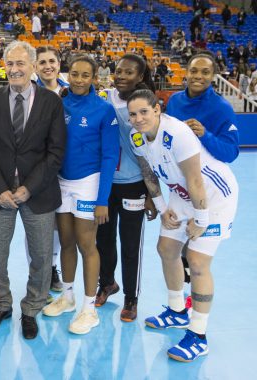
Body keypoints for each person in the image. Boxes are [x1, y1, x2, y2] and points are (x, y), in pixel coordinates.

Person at [127, 89, 238, 362]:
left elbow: (196, 180)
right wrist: (163, 209)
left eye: (144, 112)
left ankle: (198, 336)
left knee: (198, 261)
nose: (138, 118)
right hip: (182, 193)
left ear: (158, 110)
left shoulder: (177, 133)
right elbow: (148, 173)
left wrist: (201, 220)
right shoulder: (136, 137)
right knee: (166, 249)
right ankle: (177, 311)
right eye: (132, 114)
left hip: (213, 196)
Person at [0, 41, 67, 340]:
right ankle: (2, 304)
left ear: (32, 66)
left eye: (20, 64)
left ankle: (31, 308)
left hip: (38, 192)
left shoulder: (52, 102)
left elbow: (55, 152)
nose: (14, 69)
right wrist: (0, 187)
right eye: (9, 64)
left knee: (42, 256)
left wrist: (30, 187)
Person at [42, 55, 119, 335]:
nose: (78, 79)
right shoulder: (59, 104)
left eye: (85, 75)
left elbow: (111, 156)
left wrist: (102, 200)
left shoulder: (104, 109)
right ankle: (68, 295)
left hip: (89, 182)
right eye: (74, 74)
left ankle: (89, 308)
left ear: (93, 78)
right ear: (68, 74)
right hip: (62, 182)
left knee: (87, 244)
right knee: (65, 242)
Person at [165, 52, 240, 294]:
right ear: (186, 72)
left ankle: (190, 305)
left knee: (195, 257)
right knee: (169, 248)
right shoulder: (175, 101)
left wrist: (204, 134)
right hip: (180, 187)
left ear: (213, 76)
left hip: (209, 190)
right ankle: (178, 304)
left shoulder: (221, 108)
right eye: (194, 71)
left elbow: (230, 153)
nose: (198, 76)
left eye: (205, 72)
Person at [95, 54, 158, 322]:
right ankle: (107, 283)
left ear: (140, 77)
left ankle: (131, 297)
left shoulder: (146, 109)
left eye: (128, 72)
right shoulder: (104, 98)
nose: (120, 75)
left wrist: (152, 195)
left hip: (133, 187)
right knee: (103, 240)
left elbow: (150, 157)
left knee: (130, 244)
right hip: (105, 185)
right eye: (118, 71)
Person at [34, 45, 67, 295]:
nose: (48, 66)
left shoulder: (71, 91)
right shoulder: (28, 92)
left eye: (51, 61)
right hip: (36, 167)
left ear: (59, 63)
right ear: (35, 66)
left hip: (67, 167)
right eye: (42, 62)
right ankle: (37, 270)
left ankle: (52, 267)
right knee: (36, 221)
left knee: (57, 222)